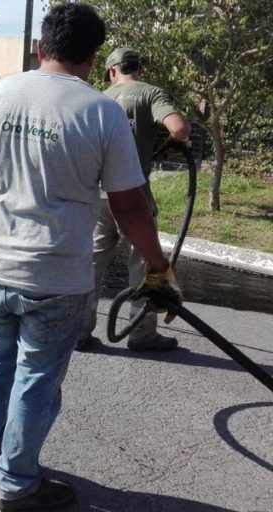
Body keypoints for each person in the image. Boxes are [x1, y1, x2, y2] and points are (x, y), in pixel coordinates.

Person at [0, 4, 182, 510]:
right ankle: (16, 483)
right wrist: (157, 267)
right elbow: (128, 207)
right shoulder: (101, 112)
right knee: (36, 377)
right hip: (57, 276)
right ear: (93, 55)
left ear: (41, 47)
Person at [76, 48, 191, 352]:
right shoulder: (150, 93)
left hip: (99, 196)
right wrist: (167, 143)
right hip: (134, 195)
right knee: (142, 267)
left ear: (112, 71)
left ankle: (79, 332)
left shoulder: (98, 97)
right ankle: (141, 335)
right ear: (137, 69)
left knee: (90, 265)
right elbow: (179, 129)